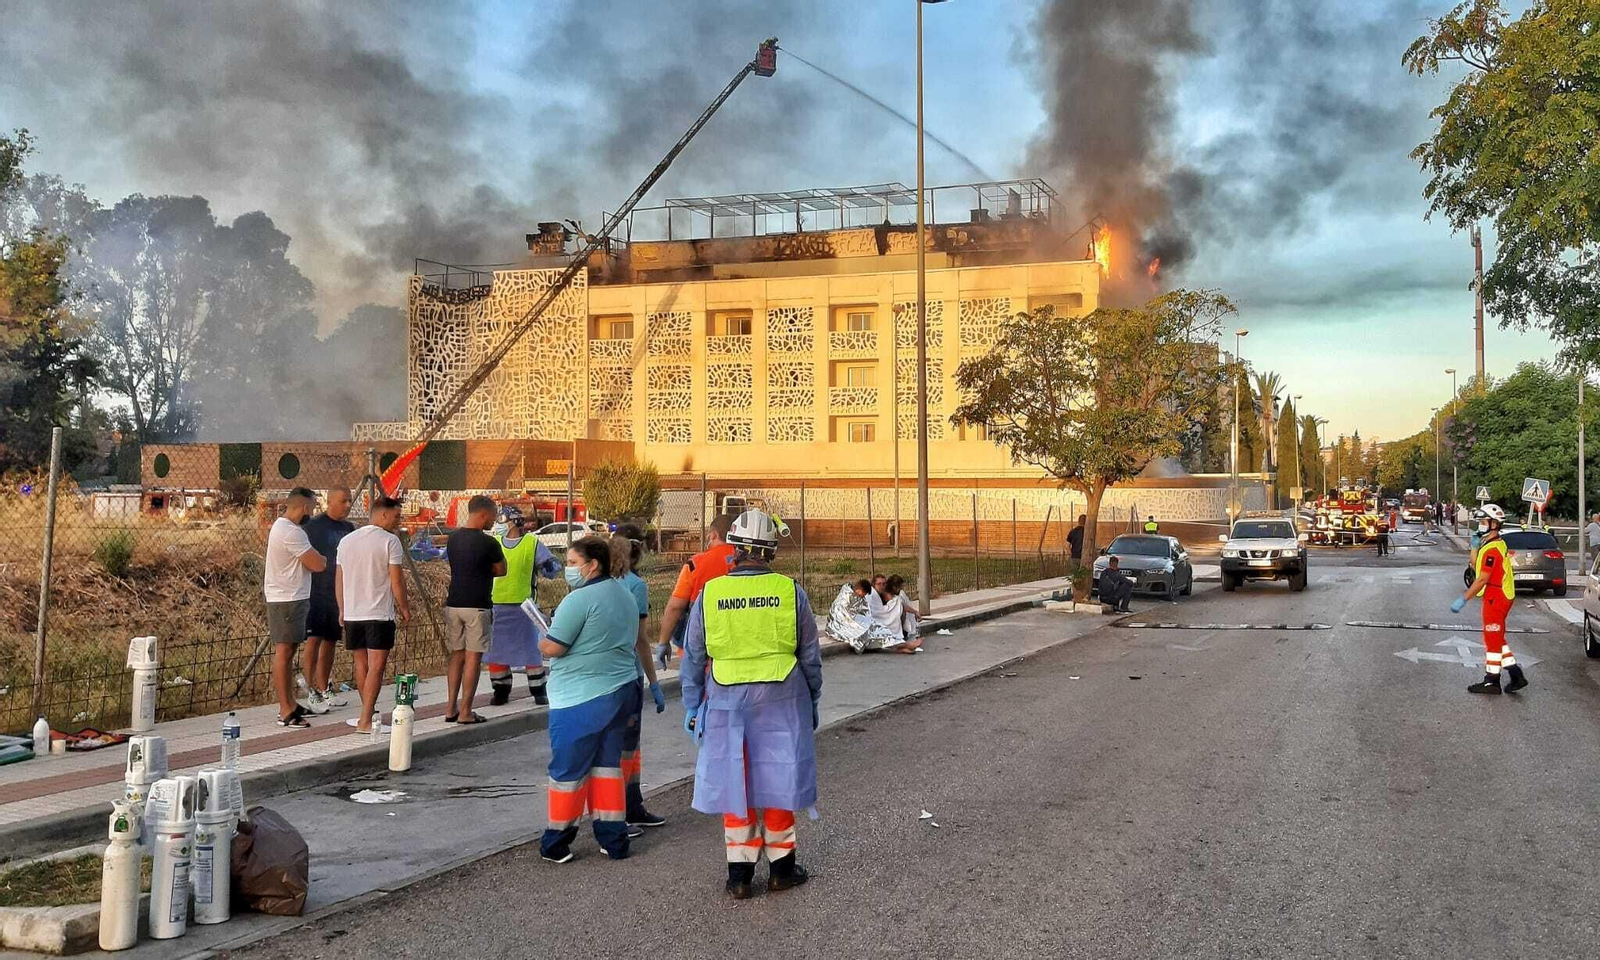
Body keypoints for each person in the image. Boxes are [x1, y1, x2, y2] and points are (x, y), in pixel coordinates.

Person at [681, 509, 821, 900]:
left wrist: (692, 705)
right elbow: (810, 655)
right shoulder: (790, 592)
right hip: (782, 699)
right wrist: (813, 698)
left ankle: (740, 876)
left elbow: (694, 655)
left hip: (726, 700)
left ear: (734, 550)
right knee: (778, 782)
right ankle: (782, 870)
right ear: (771, 552)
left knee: (734, 782)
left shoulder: (711, 593)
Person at [539, 536, 642, 864]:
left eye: (572, 563)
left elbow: (554, 646)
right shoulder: (625, 594)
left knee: (568, 771)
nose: (568, 569)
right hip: (621, 688)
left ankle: (557, 842)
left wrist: (542, 637)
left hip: (579, 697)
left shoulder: (578, 600)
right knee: (607, 767)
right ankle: (613, 839)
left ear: (592, 564)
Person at [336, 495, 410, 734]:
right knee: (376, 667)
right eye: (396, 516)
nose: (398, 521)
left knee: (361, 664)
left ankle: (366, 712)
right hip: (378, 614)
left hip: (353, 613)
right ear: (383, 514)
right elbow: (396, 579)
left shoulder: (346, 541)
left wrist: (342, 608)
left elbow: (339, 578)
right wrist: (404, 607)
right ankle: (366, 720)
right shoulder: (390, 541)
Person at [610, 528, 667, 831]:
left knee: (616, 747)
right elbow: (641, 640)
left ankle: (624, 807)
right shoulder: (635, 586)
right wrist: (654, 683)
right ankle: (626, 808)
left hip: (602, 677)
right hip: (628, 675)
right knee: (629, 748)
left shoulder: (595, 584)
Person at [487, 506, 563, 705]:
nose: (498, 524)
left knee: (530, 650)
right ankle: (500, 690)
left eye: (501, 520)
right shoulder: (494, 543)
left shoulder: (532, 543)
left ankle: (538, 690)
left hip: (525, 607)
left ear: (513, 522)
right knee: (497, 652)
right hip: (496, 605)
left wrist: (549, 566)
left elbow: (552, 568)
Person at [264, 487, 327, 727]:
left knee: (289, 651)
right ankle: (285, 710)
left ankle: (290, 703)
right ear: (303, 507)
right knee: (284, 651)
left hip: (290, 597)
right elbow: (318, 564)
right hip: (287, 599)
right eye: (312, 507)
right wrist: (322, 559)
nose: (312, 513)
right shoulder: (291, 532)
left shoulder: (284, 528)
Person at [1453, 504, 1528, 695]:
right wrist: (1474, 546)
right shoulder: (1490, 544)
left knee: (1492, 639)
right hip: (1495, 596)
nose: (1480, 525)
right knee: (1495, 636)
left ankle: (1492, 681)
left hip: (1497, 597)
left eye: (1483, 522)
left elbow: (1482, 579)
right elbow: (1474, 564)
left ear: (1494, 524)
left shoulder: (1493, 550)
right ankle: (1515, 674)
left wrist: (1464, 598)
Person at [443, 495, 506, 724]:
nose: (494, 520)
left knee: (457, 655)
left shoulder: (453, 538)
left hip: (454, 603)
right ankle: (466, 711)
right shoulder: (489, 543)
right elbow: (502, 570)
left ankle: (450, 708)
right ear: (483, 515)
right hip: (477, 605)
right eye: (493, 516)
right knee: (473, 658)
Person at [300, 486, 355, 715]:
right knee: (314, 639)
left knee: (331, 640)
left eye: (350, 500)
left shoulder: (349, 528)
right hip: (315, 592)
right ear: (330, 501)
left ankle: (325, 688)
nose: (348, 505)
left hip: (337, 593)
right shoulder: (313, 527)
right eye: (343, 501)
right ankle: (309, 689)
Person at [656, 513, 736, 668]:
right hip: (736, 649)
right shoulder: (746, 562)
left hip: (699, 648)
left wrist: (663, 642)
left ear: (713, 535)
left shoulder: (695, 564)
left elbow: (675, 607)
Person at [867, 574, 921, 653]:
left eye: (883, 584)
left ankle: (901, 647)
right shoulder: (872, 594)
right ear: (873, 584)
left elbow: (899, 604)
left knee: (898, 606)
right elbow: (875, 611)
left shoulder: (882, 593)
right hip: (874, 621)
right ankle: (905, 645)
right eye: (879, 584)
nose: (881, 586)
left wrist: (915, 612)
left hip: (879, 620)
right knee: (897, 606)